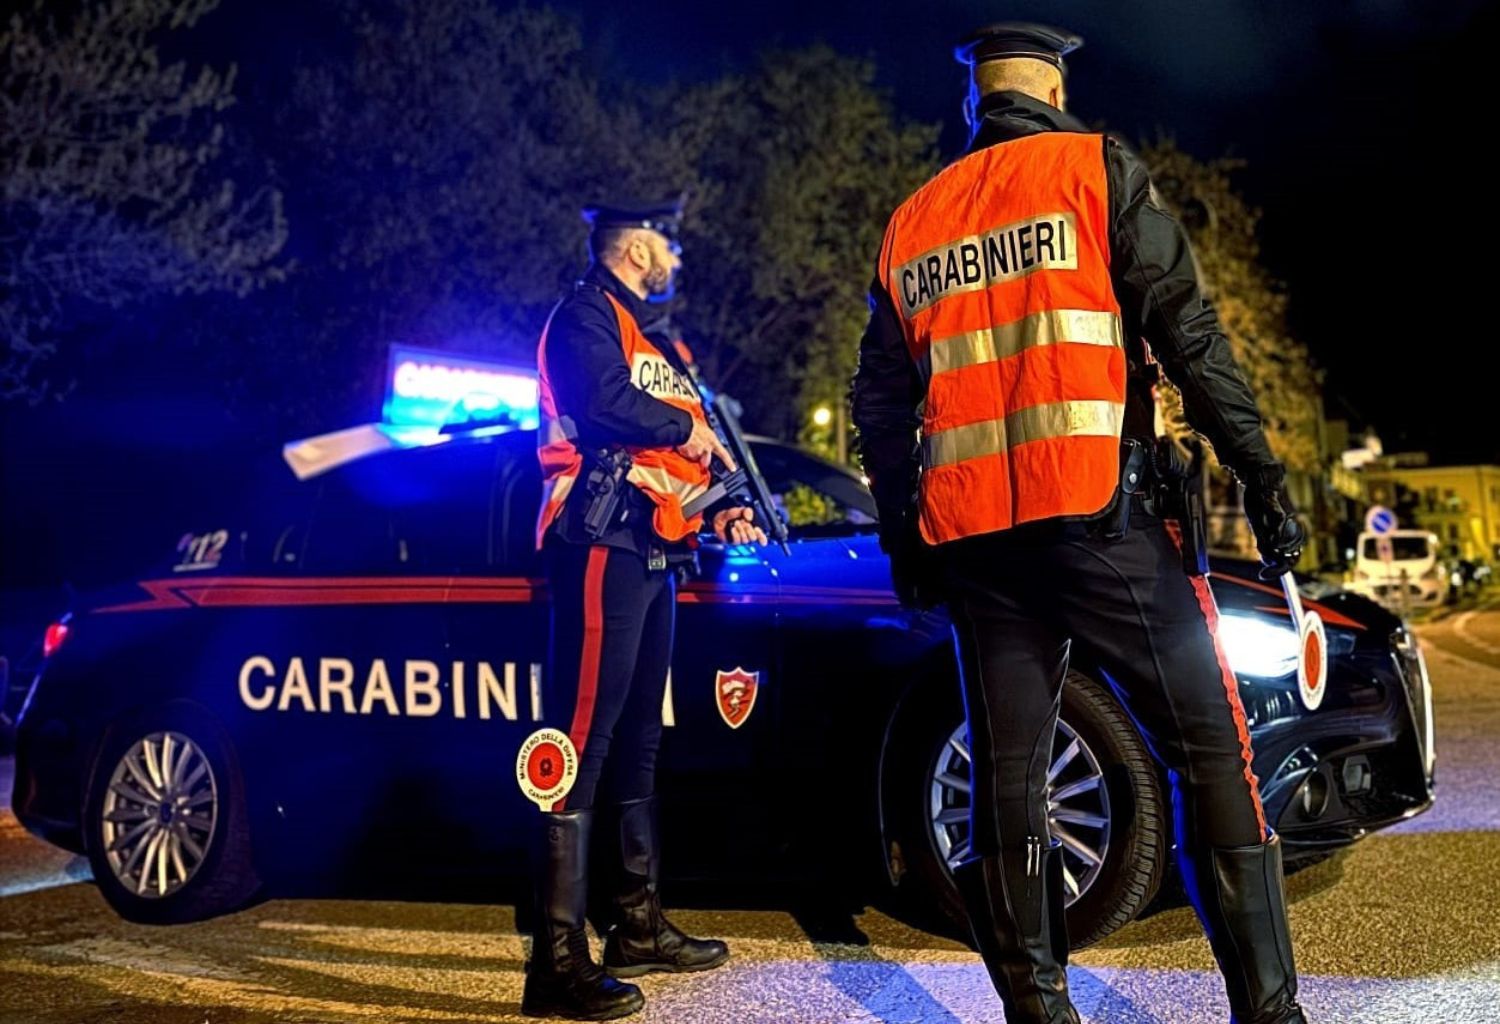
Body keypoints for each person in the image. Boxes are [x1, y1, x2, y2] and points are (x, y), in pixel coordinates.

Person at [850, 23, 1308, 1024]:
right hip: (1099, 520)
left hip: (975, 546)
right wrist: (1262, 473)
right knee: (1210, 743)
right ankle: (1270, 1013)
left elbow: (877, 404)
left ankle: (1040, 1012)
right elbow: (1187, 330)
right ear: (1052, 85)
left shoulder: (913, 221)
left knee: (1008, 774)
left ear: (976, 102)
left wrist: (903, 533)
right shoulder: (1094, 170)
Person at [526, 197, 767, 1021]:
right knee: (583, 734)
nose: (674, 254)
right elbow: (600, 405)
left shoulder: (651, 337)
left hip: (655, 545)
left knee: (640, 737)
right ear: (635, 248)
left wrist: (722, 495)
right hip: (599, 540)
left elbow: (685, 439)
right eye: (665, 241)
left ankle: (635, 925)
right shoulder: (583, 317)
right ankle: (555, 963)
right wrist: (682, 430)